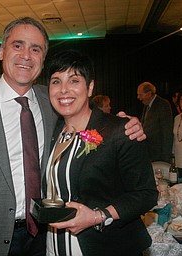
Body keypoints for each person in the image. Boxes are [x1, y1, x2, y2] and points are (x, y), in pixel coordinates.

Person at [0, 17, 146, 256]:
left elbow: (91, 121)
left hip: (48, 236)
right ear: (2, 51)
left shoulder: (54, 100)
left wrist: (125, 125)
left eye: (35, 49)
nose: (26, 55)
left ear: (43, 60)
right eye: (18, 45)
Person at [45, 50, 157, 256]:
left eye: (74, 80)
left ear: (90, 87)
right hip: (56, 246)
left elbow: (146, 194)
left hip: (105, 246)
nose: (64, 90)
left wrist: (99, 216)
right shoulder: (51, 132)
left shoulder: (119, 131)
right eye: (56, 81)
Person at [137, 82, 173, 163]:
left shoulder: (163, 105)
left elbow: (166, 132)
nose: (138, 97)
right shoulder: (146, 105)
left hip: (159, 154)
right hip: (149, 153)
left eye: (140, 94)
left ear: (149, 94)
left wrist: (165, 158)